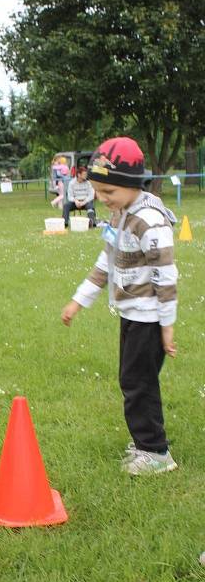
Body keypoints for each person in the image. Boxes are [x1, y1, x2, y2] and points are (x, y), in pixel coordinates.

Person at [61, 137, 178, 477]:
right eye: (99, 192)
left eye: (108, 192)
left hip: (149, 318)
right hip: (132, 315)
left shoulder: (149, 220)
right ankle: (146, 444)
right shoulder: (120, 214)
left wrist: (166, 323)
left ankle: (156, 452)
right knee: (133, 379)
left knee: (137, 382)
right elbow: (106, 261)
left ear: (131, 185)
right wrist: (78, 301)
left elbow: (165, 275)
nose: (102, 199)